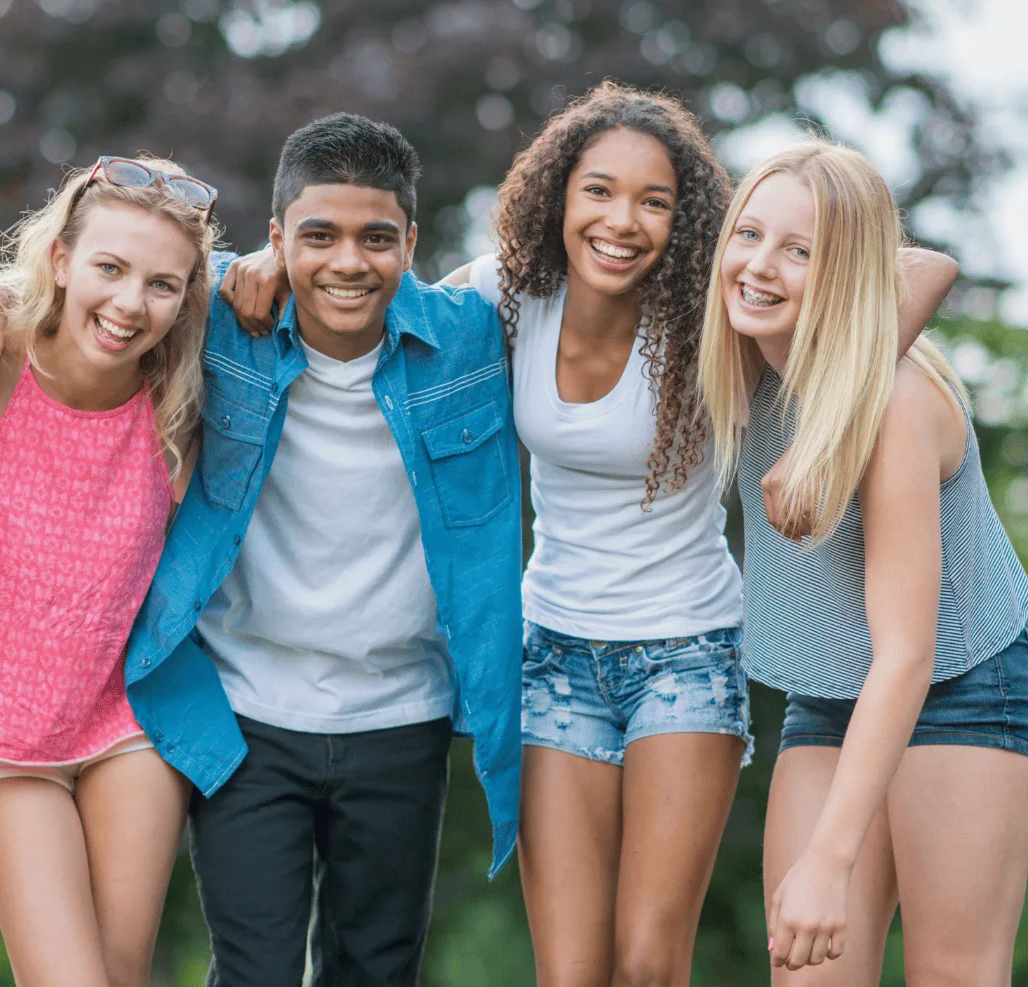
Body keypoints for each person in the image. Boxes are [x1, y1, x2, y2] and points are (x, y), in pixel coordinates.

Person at [222, 83, 958, 987]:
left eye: (656, 202)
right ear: (557, 197)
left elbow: (925, 267)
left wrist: (821, 440)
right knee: (569, 971)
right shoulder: (506, 293)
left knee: (648, 961)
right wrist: (266, 256)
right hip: (554, 653)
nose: (624, 221)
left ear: (688, 223)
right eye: (599, 191)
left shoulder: (708, 313)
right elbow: (372, 288)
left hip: (687, 651)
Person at [124, 112, 522, 987]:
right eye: (318, 236)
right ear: (276, 237)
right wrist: (236, 269)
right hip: (245, 711)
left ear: (411, 241)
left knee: (377, 969)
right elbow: (109, 270)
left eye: (377, 238)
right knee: (254, 970)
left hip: (401, 715)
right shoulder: (220, 318)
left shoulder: (472, 336)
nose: (349, 261)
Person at [699, 140, 1028, 984]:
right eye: (749, 234)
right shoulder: (745, 354)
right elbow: (921, 263)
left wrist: (829, 858)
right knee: (807, 969)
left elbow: (908, 651)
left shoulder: (896, 404)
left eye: (800, 250)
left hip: (963, 683)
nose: (760, 265)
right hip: (831, 688)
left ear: (845, 271)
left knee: (953, 971)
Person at [0, 155, 216, 987]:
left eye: (162, 284)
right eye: (110, 268)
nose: (128, 304)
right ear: (62, 259)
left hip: (126, 721)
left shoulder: (180, 402)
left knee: (120, 973)